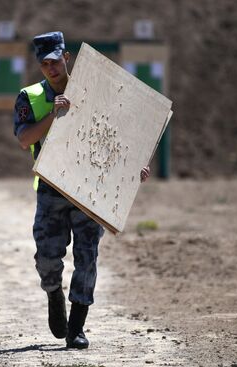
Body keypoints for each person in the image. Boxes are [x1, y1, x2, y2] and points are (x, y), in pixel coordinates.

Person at [13, 31, 151, 349]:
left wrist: (135, 168)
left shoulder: (96, 90)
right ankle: (53, 296)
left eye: (55, 60)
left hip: (92, 189)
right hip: (51, 189)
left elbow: (120, 134)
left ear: (67, 57)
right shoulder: (30, 97)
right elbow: (24, 140)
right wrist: (53, 113)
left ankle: (77, 328)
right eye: (44, 63)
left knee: (86, 258)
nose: (51, 68)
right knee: (47, 258)